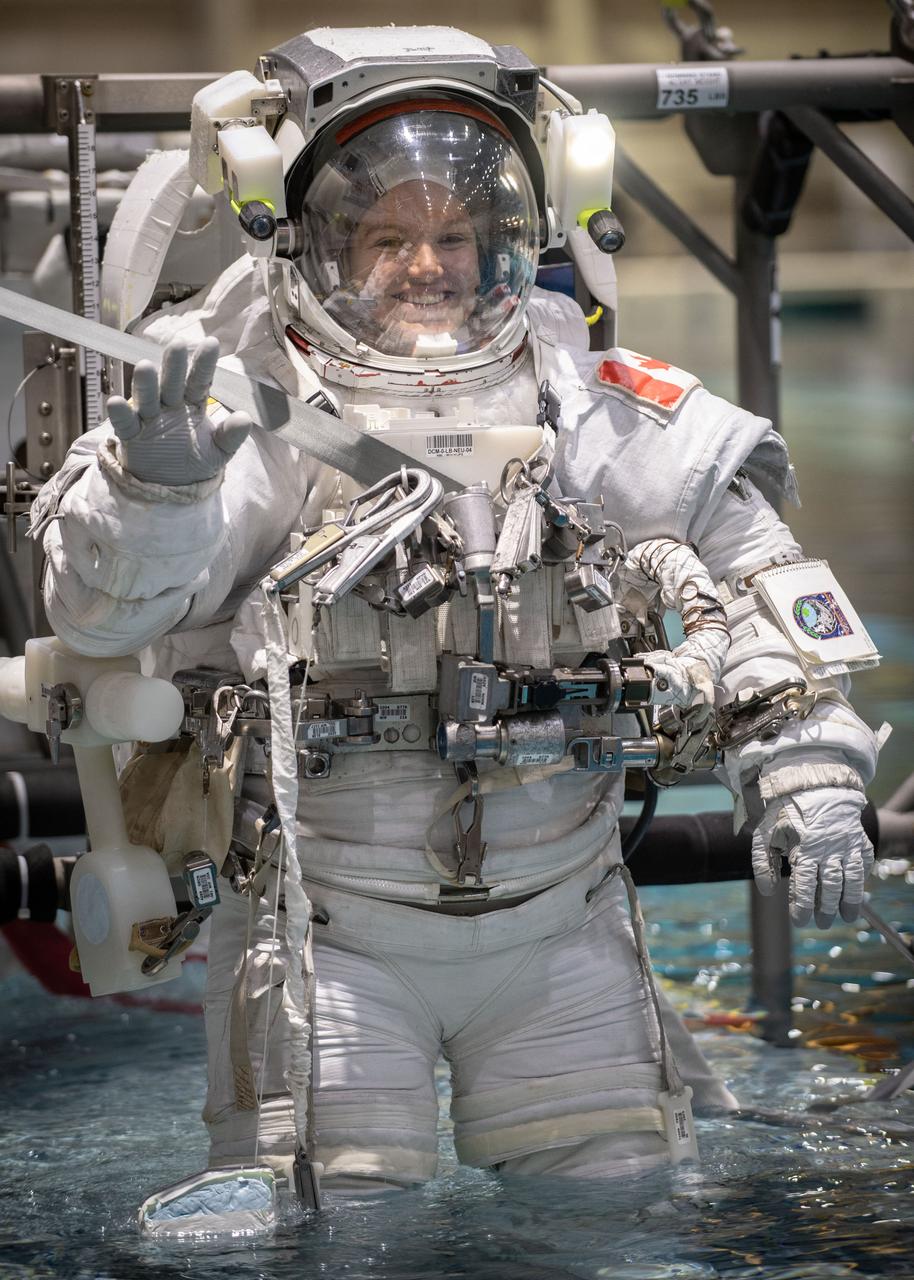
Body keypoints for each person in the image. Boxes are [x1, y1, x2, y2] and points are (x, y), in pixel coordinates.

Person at [34, 26, 879, 1194]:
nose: (423, 264)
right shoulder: (237, 393)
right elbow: (104, 607)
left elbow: (754, 565)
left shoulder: (571, 391)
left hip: (562, 918)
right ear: (319, 241)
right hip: (324, 927)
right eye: (385, 236)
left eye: (450, 234)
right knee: (344, 1222)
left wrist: (808, 767)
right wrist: (153, 489)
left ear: (503, 243)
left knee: (610, 1205)